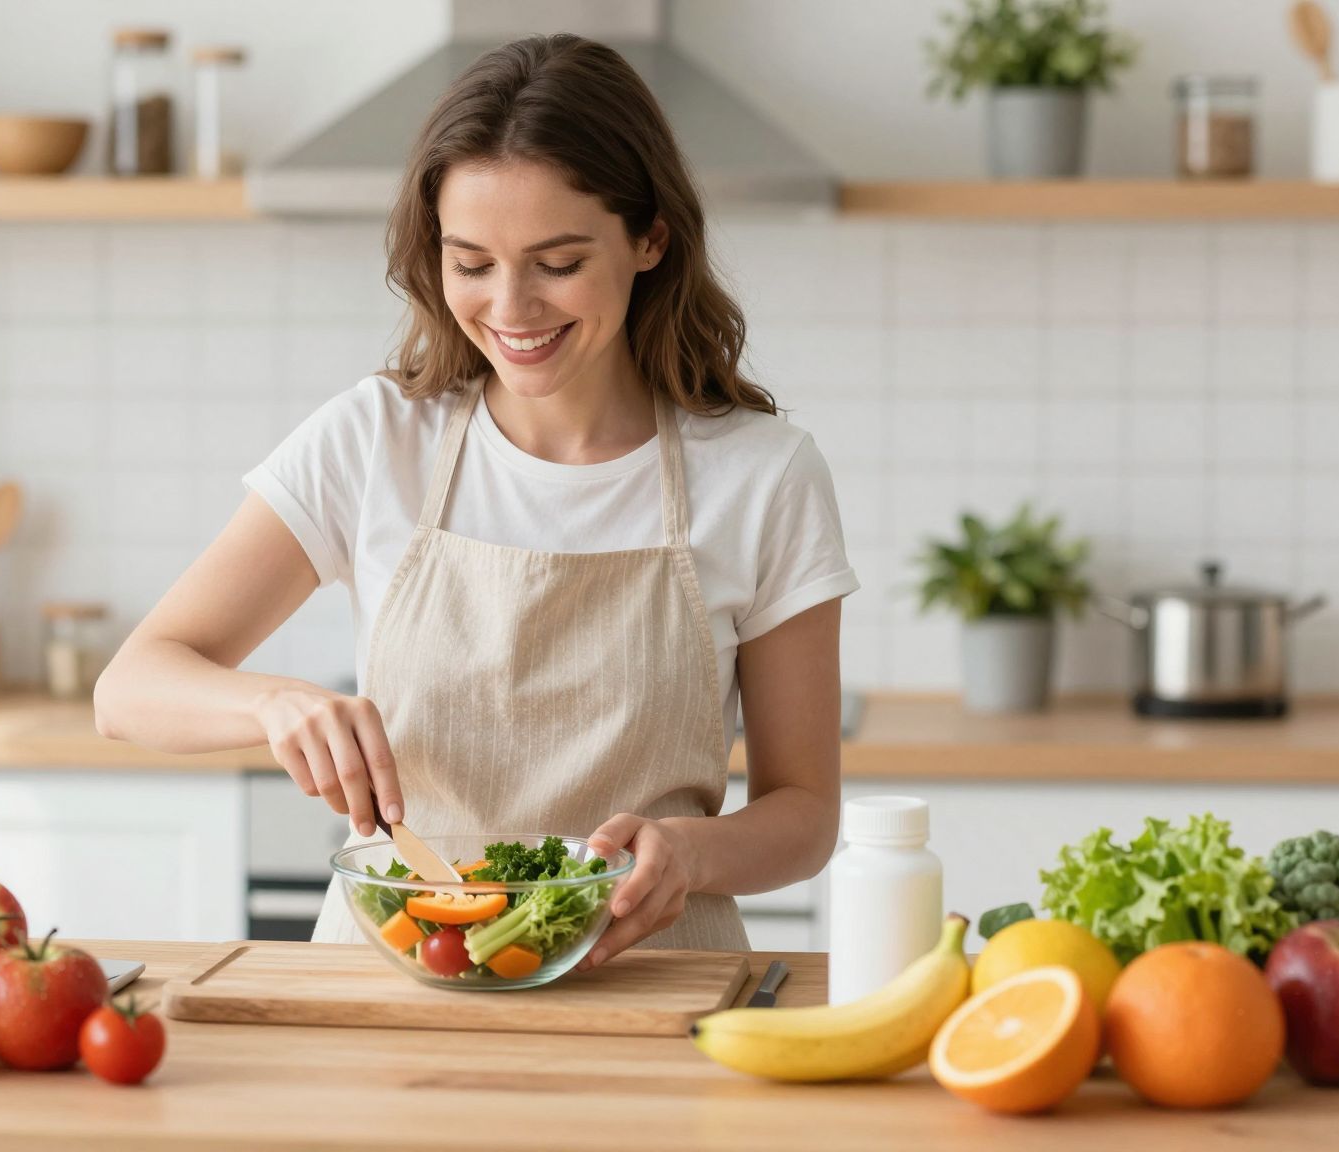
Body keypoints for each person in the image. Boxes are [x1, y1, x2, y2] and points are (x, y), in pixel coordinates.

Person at [95, 34, 857, 966]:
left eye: (558, 262)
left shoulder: (763, 476)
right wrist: (274, 705)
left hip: (651, 984)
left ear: (650, 237)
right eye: (472, 262)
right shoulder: (375, 439)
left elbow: (806, 814)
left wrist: (693, 855)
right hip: (396, 985)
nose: (511, 307)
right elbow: (128, 688)